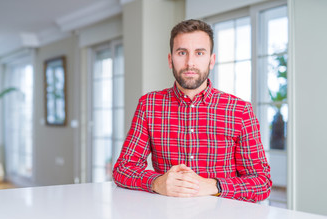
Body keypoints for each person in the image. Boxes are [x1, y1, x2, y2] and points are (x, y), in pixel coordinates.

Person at [113, 19, 272, 202]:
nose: (190, 63)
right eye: (182, 52)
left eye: (199, 53)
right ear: (170, 59)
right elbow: (123, 169)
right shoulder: (149, 105)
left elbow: (262, 182)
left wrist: (213, 185)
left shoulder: (240, 110)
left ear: (211, 60)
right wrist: (157, 182)